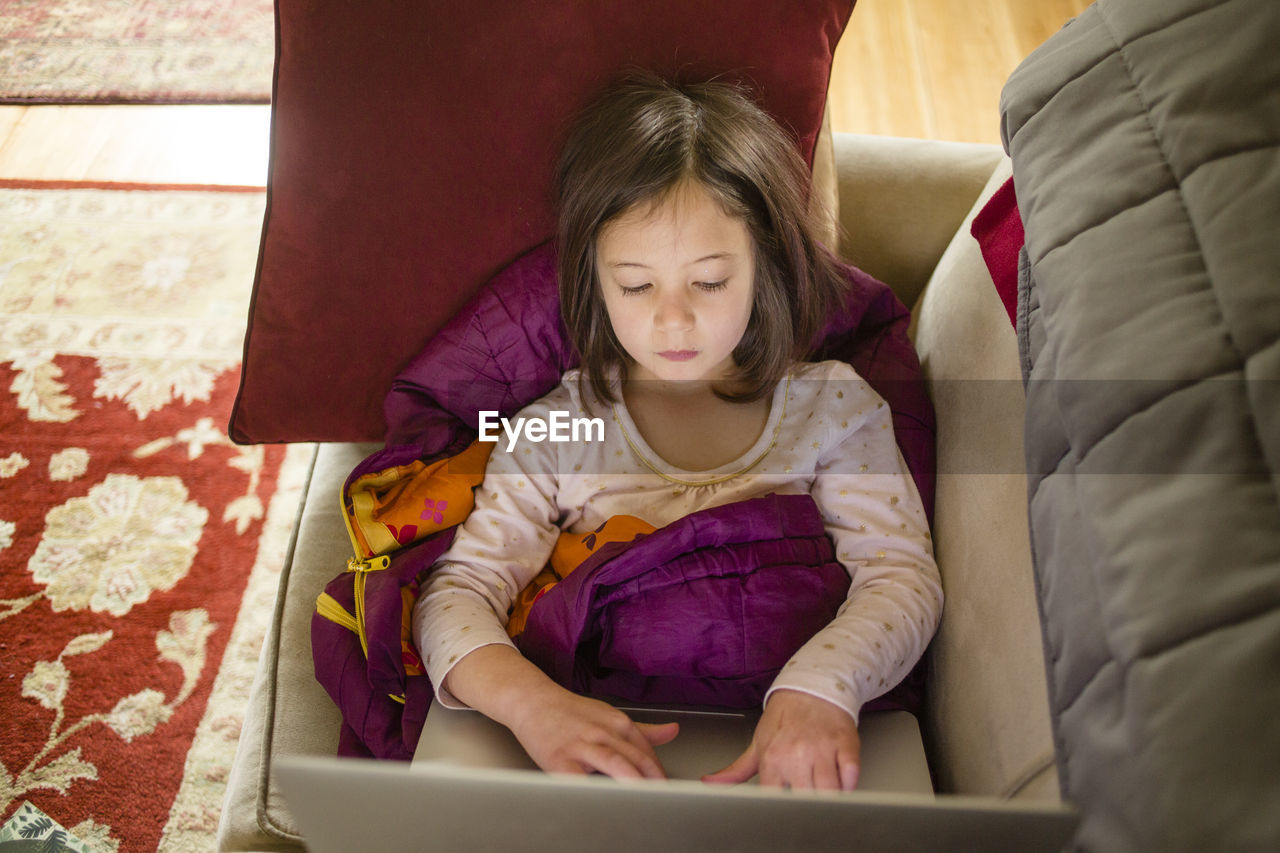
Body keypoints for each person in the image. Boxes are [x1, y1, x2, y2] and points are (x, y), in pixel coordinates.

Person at [413, 73, 942, 791]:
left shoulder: (833, 409)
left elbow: (901, 573)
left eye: (710, 280)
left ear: (766, 267)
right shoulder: (558, 428)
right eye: (635, 285)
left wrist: (820, 688)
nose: (672, 319)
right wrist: (535, 707)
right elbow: (457, 592)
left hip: (796, 749)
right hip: (596, 763)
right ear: (592, 281)